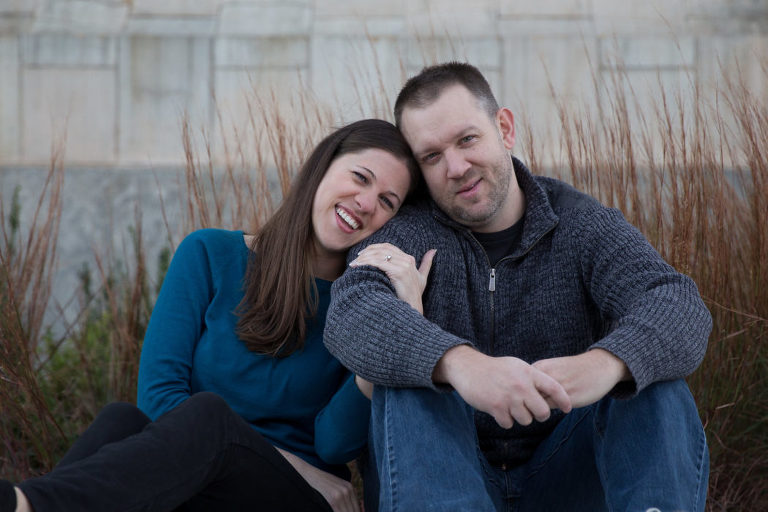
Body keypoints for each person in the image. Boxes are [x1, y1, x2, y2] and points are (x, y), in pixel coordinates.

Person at [324, 62, 713, 511]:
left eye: (467, 139)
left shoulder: (582, 224)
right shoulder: (408, 232)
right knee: (409, 377)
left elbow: (675, 301)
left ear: (504, 128)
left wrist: (606, 363)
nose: (456, 166)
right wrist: (459, 364)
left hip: (566, 476)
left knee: (650, 376)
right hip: (448, 476)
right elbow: (352, 310)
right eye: (432, 156)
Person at [0, 118, 429, 512]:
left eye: (387, 201)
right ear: (322, 168)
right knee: (123, 419)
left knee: (208, 417)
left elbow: (333, 446)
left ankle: (26, 503)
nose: (366, 201)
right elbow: (159, 398)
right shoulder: (209, 254)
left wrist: (393, 336)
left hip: (288, 499)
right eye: (360, 177)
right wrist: (277, 457)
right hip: (204, 475)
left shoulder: (359, 304)